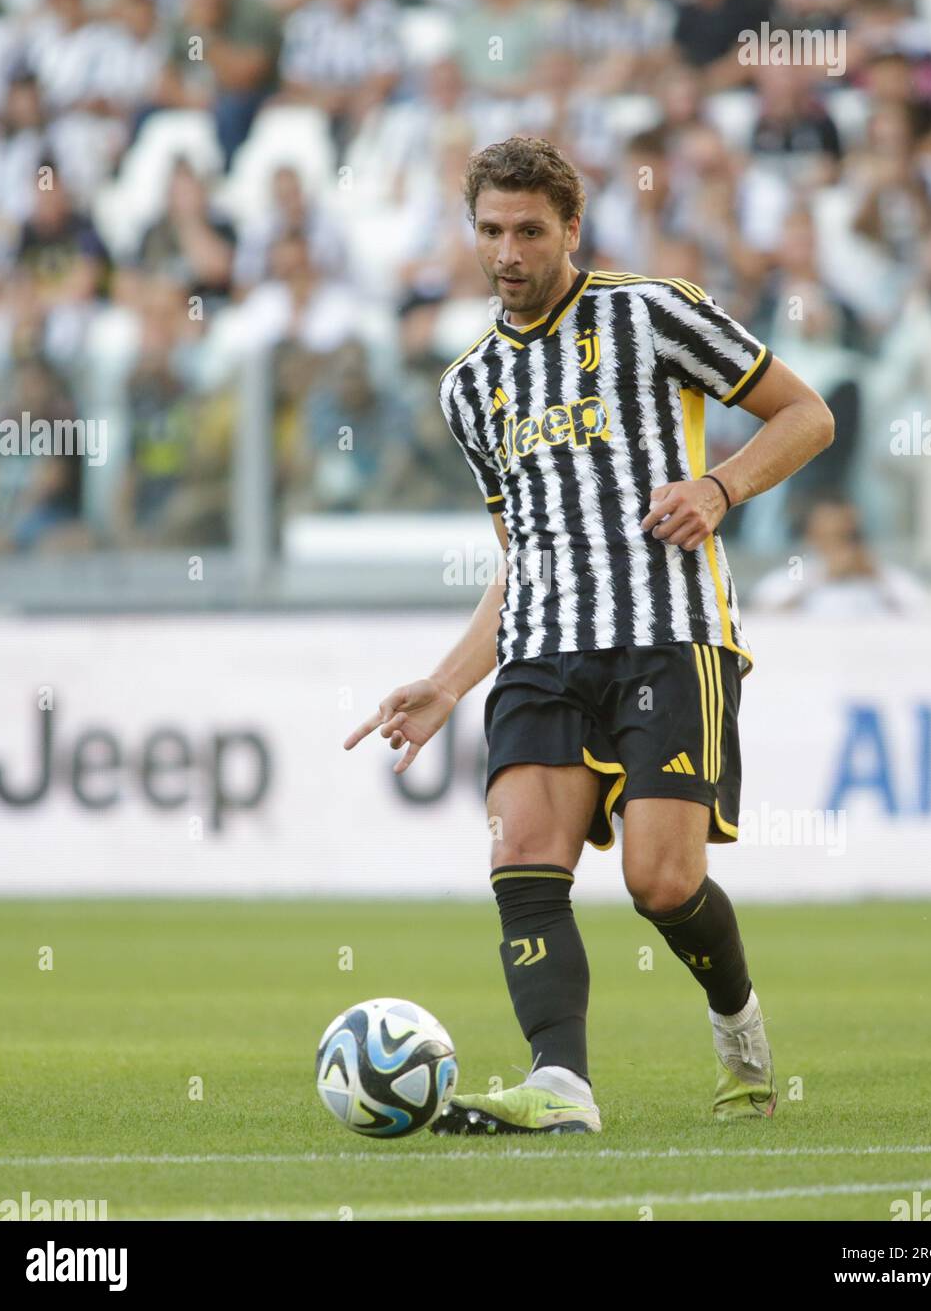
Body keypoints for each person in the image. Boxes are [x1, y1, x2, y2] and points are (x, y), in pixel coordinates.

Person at [344, 136, 834, 1135]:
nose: (508, 251)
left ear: (571, 228)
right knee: (520, 857)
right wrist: (446, 681)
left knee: (660, 881)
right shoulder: (468, 386)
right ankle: (559, 1083)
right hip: (539, 649)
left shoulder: (651, 313)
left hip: (668, 633)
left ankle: (735, 1018)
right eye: (490, 231)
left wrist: (719, 484)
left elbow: (806, 414)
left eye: (529, 230)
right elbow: (521, 552)